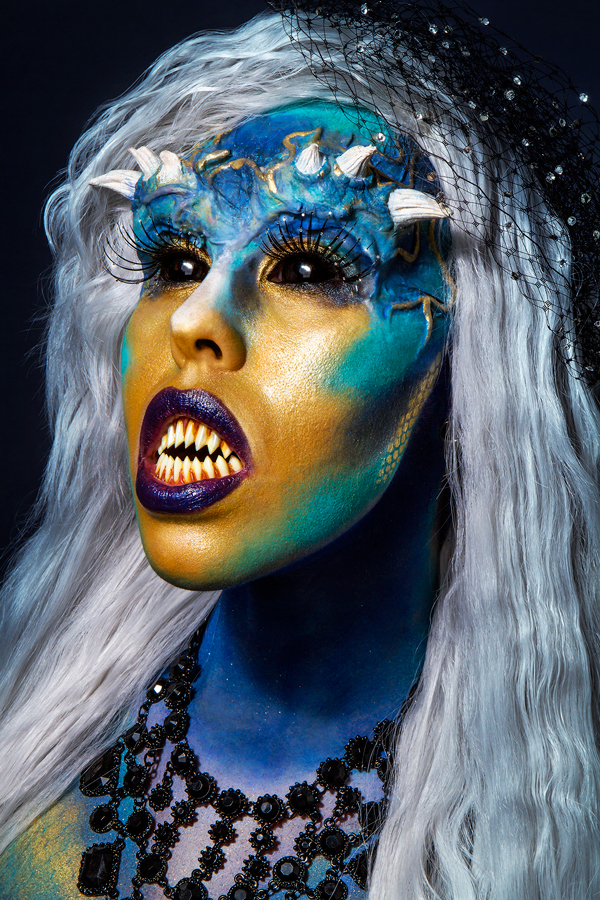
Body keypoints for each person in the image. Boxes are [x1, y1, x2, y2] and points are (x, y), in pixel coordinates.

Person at [1, 3, 600, 899]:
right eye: (176, 261)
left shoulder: (547, 839)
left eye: (312, 269)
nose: (195, 319)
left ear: (468, 368)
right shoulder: (32, 772)